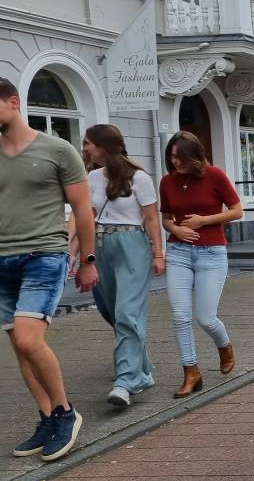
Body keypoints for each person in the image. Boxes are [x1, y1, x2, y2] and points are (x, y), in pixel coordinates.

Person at [0, 77, 96, 462]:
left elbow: (84, 211)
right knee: (19, 347)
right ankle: (45, 417)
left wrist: (87, 260)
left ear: (12, 102)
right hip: (1, 259)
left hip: (44, 254)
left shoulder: (59, 150)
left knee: (28, 340)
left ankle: (65, 412)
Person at [82, 124, 164, 408]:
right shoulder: (92, 176)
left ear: (104, 146)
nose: (86, 148)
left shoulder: (139, 177)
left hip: (131, 245)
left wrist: (158, 254)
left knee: (127, 312)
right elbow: (86, 216)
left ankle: (126, 380)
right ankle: (142, 369)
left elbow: (151, 218)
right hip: (101, 246)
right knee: (110, 310)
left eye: (89, 143)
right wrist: (80, 253)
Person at [159, 131, 243, 398]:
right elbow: (166, 217)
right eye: (171, 158)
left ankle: (224, 345)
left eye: (180, 158)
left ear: (194, 156)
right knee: (179, 316)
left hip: (211, 253)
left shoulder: (214, 175)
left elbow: (237, 210)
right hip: (178, 252)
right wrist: (176, 229)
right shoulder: (167, 181)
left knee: (205, 317)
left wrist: (203, 221)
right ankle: (191, 371)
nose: (175, 163)